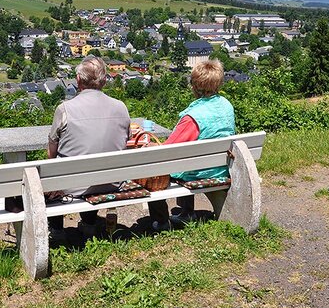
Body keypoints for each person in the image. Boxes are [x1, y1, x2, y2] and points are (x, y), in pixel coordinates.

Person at [47, 55, 131, 237]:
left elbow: (51, 151)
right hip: (113, 182)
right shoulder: (121, 107)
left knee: (51, 173)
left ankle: (57, 230)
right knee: (96, 165)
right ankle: (89, 224)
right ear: (104, 80)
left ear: (78, 79)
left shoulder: (65, 109)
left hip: (72, 187)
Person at [148, 59, 235, 231]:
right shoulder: (227, 105)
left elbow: (168, 150)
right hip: (221, 168)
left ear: (194, 86)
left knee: (157, 165)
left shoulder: (193, 116)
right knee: (187, 160)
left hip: (199, 172)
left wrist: (150, 146)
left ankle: (163, 222)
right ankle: (186, 212)